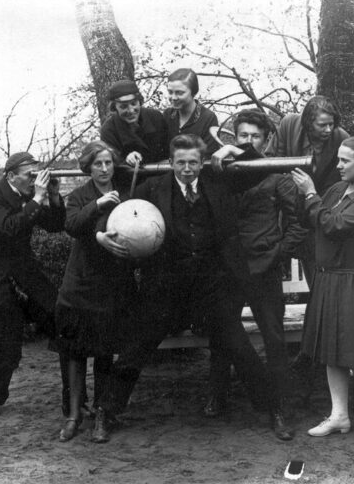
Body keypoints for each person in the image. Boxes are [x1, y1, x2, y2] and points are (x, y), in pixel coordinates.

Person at [97, 134, 290, 441]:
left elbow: (260, 167)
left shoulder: (220, 183)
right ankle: (106, 414)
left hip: (212, 288)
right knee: (138, 346)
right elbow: (117, 211)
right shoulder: (152, 189)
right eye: (181, 162)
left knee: (239, 346)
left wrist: (234, 149)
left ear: (202, 162)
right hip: (167, 287)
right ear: (171, 162)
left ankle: (273, 411)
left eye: (193, 162)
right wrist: (100, 234)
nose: (187, 169)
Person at [206, 109, 308, 426]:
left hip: (264, 267)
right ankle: (218, 393)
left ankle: (280, 409)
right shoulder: (223, 172)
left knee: (274, 338)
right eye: (243, 136)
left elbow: (298, 224)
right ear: (234, 139)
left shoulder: (277, 174)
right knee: (223, 333)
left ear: (266, 140)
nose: (248, 141)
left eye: (255, 137)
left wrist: (278, 253)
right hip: (230, 267)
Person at [291, 135, 354, 442]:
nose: (338, 165)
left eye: (344, 160)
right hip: (329, 277)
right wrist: (304, 197)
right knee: (331, 352)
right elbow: (313, 218)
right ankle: (339, 416)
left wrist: (310, 195)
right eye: (338, 159)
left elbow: (333, 226)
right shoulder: (337, 189)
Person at [53, 141, 136, 443]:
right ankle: (74, 415)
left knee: (105, 352)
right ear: (88, 167)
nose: (103, 169)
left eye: (108, 163)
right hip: (81, 284)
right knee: (75, 352)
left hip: (113, 283)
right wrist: (98, 210)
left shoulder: (125, 194)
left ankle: (102, 414)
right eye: (97, 164)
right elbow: (72, 225)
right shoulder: (79, 196)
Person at [0, 151, 66, 417]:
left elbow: (55, 226)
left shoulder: (29, 197)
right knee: (10, 342)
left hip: (27, 276)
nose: (33, 180)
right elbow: (9, 227)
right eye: (30, 175)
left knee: (62, 321)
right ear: (11, 175)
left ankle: (73, 399)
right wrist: (37, 198)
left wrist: (52, 196)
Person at [264, 95, 350, 284]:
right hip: (286, 212)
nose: (328, 129)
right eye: (322, 125)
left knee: (319, 271)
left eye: (331, 124)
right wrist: (288, 183)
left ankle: (320, 305)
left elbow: (345, 180)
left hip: (320, 213)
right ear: (308, 123)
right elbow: (269, 161)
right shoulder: (289, 125)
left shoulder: (342, 138)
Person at [100, 80, 169, 167]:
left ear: (139, 102)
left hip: (161, 175)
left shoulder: (155, 117)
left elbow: (169, 150)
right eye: (124, 106)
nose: (131, 110)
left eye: (133, 104)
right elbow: (112, 162)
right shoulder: (109, 130)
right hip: (130, 177)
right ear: (114, 107)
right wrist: (127, 160)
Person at [164, 68, 220, 156]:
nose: (174, 97)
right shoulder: (167, 115)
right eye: (170, 92)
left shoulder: (208, 118)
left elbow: (209, 155)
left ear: (193, 92)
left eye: (179, 93)